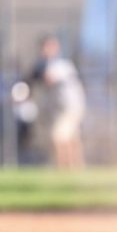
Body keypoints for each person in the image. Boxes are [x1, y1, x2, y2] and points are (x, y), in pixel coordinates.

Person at [29, 34, 86, 169]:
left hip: (70, 107)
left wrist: (38, 70)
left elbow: (48, 78)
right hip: (62, 108)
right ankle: (76, 168)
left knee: (59, 137)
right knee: (71, 138)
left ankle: (64, 169)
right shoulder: (48, 64)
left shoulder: (61, 64)